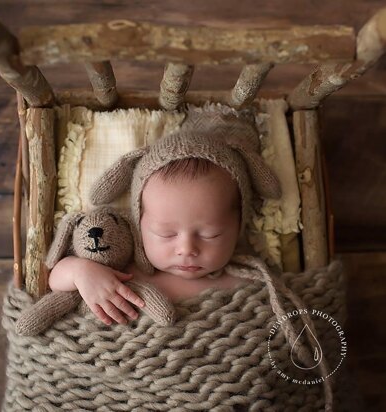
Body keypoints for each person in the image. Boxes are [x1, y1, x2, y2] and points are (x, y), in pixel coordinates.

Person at [48, 104, 281, 326]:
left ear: (238, 225)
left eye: (211, 234)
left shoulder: (251, 281)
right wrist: (82, 272)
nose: (187, 249)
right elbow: (54, 280)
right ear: (139, 224)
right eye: (166, 233)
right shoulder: (123, 273)